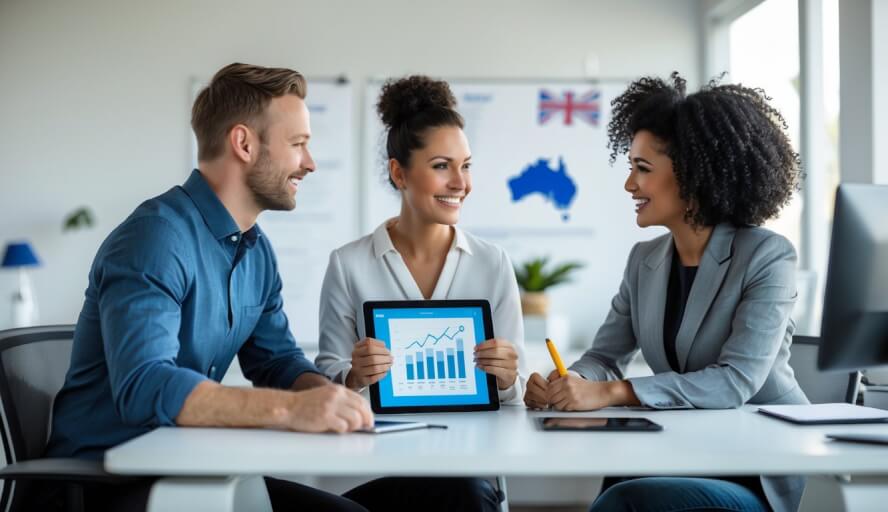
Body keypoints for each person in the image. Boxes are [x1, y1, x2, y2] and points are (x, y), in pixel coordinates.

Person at [38, 63, 473, 512]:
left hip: (193, 467)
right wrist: (289, 411)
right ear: (244, 143)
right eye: (299, 144)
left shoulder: (255, 251)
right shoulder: (155, 238)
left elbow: (277, 361)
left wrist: (328, 396)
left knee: (415, 500)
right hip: (107, 486)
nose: (310, 162)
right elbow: (144, 385)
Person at [523, 72, 807, 512]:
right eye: (630, 167)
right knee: (622, 476)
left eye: (643, 169)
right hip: (680, 449)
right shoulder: (645, 260)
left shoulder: (768, 256)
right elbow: (603, 358)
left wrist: (614, 393)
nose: (629, 185)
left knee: (628, 499)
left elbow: (735, 381)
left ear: (693, 177)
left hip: (753, 464)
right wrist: (573, 383)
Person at [313, 76, 529, 511]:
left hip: (472, 469)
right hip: (377, 468)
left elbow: (517, 392)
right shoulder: (349, 263)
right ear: (399, 172)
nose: (460, 182)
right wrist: (354, 376)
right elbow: (327, 376)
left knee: (463, 494)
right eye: (441, 166)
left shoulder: (493, 263)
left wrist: (507, 378)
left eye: (466, 165)